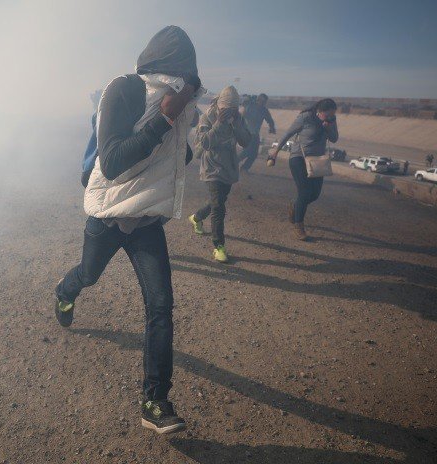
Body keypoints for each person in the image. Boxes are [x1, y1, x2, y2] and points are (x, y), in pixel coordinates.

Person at [54, 26, 203, 435]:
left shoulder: (179, 103)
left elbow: (179, 157)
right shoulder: (123, 90)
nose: (183, 81)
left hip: (145, 220)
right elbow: (113, 160)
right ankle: (65, 291)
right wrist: (165, 119)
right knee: (89, 275)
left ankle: (155, 401)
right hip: (108, 215)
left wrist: (178, 136)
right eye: (180, 72)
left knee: (161, 306)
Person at [188, 86, 251, 263]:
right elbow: (204, 143)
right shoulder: (207, 117)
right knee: (218, 207)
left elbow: (246, 142)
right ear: (219, 105)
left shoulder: (238, 119)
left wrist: (237, 124)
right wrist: (219, 123)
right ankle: (219, 246)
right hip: (211, 167)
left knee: (218, 201)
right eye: (226, 108)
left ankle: (197, 217)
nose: (229, 111)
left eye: (233, 108)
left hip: (229, 167)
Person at [268, 98, 338, 240]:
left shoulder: (331, 120)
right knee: (305, 192)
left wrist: (329, 127)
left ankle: (295, 205)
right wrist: (275, 152)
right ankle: (298, 225)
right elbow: (287, 134)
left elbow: (334, 138)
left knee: (315, 195)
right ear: (319, 111)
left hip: (317, 161)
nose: (330, 117)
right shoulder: (305, 117)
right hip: (299, 158)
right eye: (327, 115)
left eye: (332, 115)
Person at [239, 93, 275, 173]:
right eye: (262, 101)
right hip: (247, 133)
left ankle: (244, 168)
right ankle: (232, 164)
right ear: (258, 100)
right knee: (246, 152)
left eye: (264, 102)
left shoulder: (264, 110)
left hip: (255, 134)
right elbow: (242, 115)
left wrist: (272, 127)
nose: (263, 103)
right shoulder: (250, 106)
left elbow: (269, 120)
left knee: (254, 154)